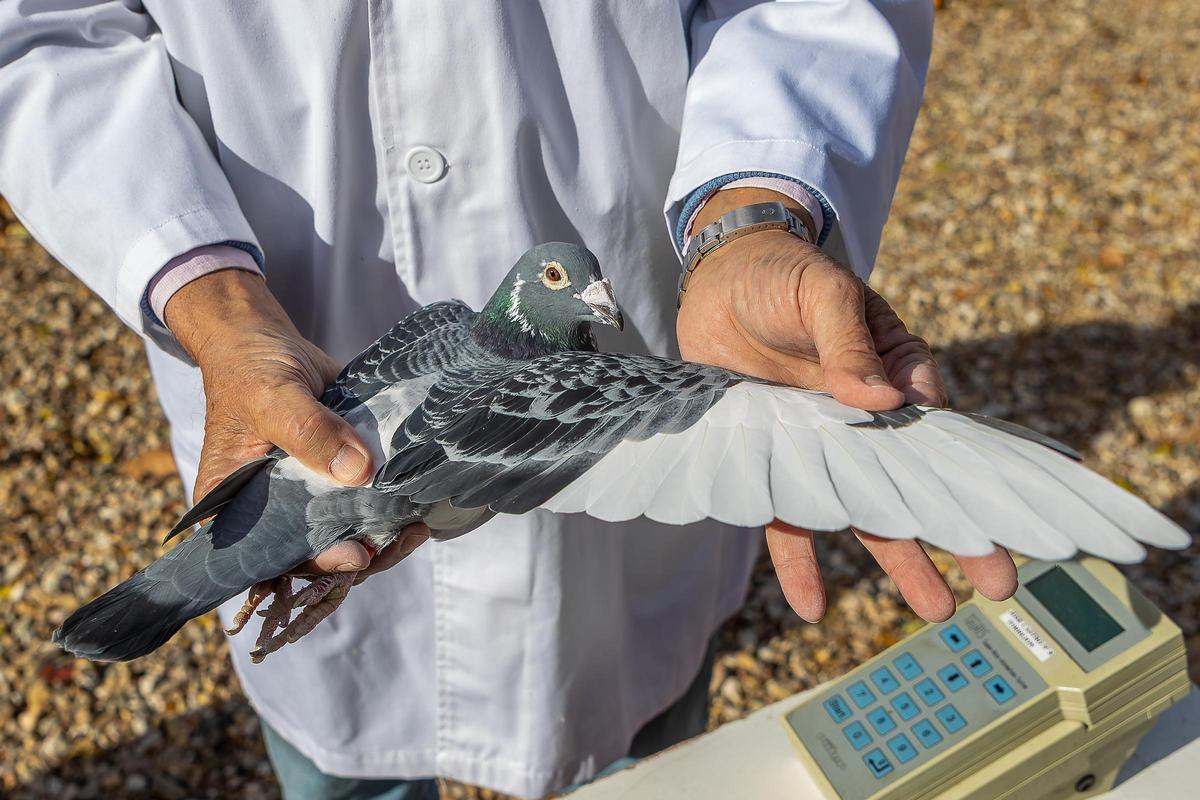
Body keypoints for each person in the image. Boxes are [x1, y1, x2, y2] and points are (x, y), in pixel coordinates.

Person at [0, 2, 1017, 797]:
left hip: (646, 397)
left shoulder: (542, 340)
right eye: (570, 287)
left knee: (642, 744)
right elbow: (42, 32)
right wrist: (211, 299)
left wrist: (748, 214)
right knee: (345, 749)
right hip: (273, 347)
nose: (588, 299)